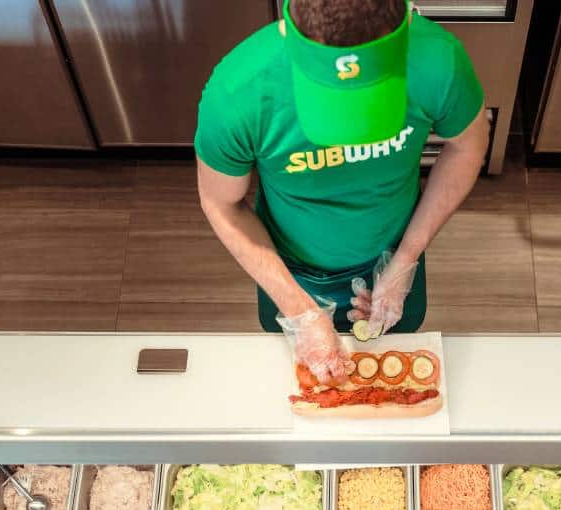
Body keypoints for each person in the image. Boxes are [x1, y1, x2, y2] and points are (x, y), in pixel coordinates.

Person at [195, 0, 488, 385]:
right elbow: (221, 203)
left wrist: (406, 257)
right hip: (287, 268)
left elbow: (467, 146)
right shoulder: (239, 92)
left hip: (395, 248)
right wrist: (299, 311)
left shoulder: (439, 61)